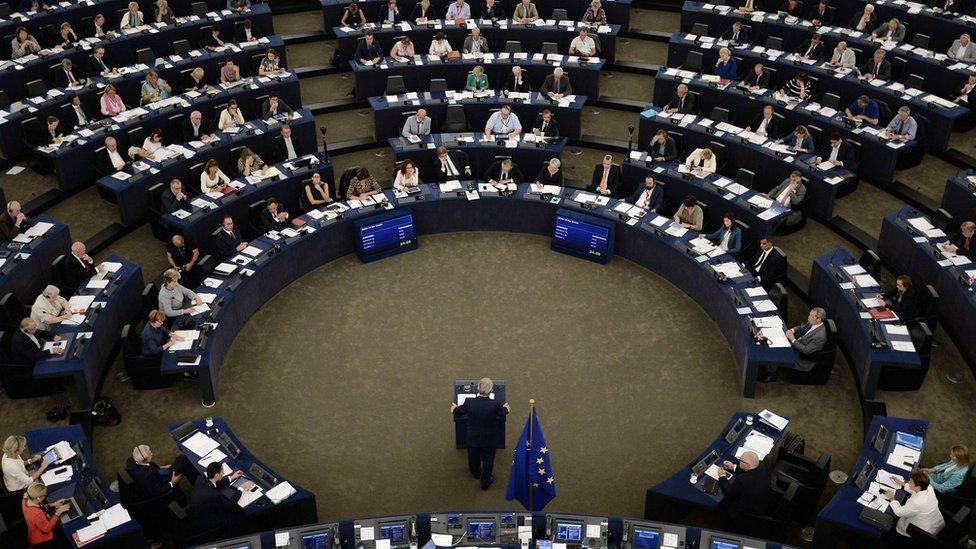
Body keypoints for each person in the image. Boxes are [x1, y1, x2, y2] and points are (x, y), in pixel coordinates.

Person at [451, 377, 510, 490]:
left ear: (477, 389)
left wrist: (454, 409)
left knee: (473, 456)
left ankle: (476, 473)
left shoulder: (469, 402)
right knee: (488, 460)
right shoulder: (496, 404)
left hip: (473, 438)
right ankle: (485, 481)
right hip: (489, 439)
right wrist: (507, 409)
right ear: (491, 390)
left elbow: (459, 411)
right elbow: (503, 414)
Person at [881, 471, 945, 538]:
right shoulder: (928, 487)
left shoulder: (916, 502)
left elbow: (898, 512)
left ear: (918, 487)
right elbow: (914, 490)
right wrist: (901, 483)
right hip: (937, 522)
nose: (908, 482)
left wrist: (892, 498)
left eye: (911, 482)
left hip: (923, 530)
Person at [187, 462, 248, 533]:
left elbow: (214, 483)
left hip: (194, 511)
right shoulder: (214, 495)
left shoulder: (201, 477)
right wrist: (241, 488)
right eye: (222, 472)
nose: (224, 473)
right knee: (239, 513)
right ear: (216, 475)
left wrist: (232, 477)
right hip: (205, 519)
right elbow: (229, 505)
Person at [125, 443, 194, 502]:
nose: (152, 453)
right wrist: (172, 483)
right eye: (150, 453)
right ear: (145, 460)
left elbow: (147, 466)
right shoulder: (148, 476)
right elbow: (157, 492)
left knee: (181, 459)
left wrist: (161, 467)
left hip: (157, 473)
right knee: (184, 461)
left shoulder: (131, 460)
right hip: (163, 481)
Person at [716, 451, 772, 523]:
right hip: (764, 502)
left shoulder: (742, 480)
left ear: (748, 465)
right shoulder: (761, 465)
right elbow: (750, 471)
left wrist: (722, 476)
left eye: (741, 461)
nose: (739, 462)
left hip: (746, 512)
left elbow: (730, 493)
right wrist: (733, 467)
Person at [783, 308, 827, 374]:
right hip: (797, 346)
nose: (808, 317)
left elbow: (806, 350)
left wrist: (793, 339)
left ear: (819, 319)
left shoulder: (820, 336)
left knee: (778, 351)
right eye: (809, 315)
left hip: (801, 358)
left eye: (811, 316)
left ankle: (771, 373)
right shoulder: (812, 322)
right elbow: (800, 327)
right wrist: (791, 330)